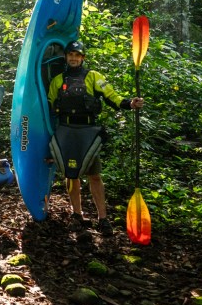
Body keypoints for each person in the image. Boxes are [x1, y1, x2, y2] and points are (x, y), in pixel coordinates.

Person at [47, 40, 144, 236]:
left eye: (77, 55)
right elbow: (48, 106)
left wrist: (130, 104)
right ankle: (77, 214)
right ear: (66, 57)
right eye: (70, 55)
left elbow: (112, 97)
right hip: (66, 130)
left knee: (95, 175)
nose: (73, 58)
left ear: (82, 58)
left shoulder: (94, 77)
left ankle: (103, 218)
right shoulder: (58, 80)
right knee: (71, 174)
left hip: (88, 131)